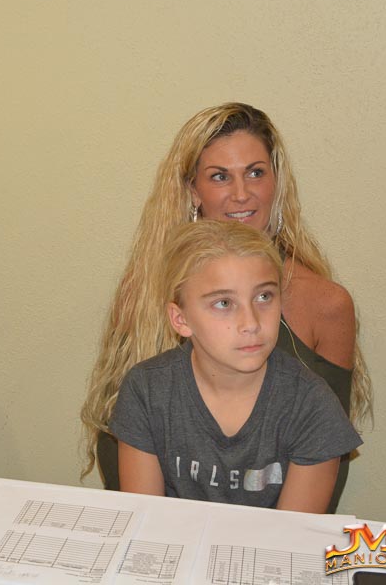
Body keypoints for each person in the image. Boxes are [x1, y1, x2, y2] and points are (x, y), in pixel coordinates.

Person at [81, 103, 371, 511]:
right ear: (192, 190)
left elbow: (323, 459)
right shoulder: (142, 296)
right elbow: (123, 442)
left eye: (255, 172)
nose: (241, 194)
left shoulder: (327, 305)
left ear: (276, 182)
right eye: (220, 176)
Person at [111, 220, 362, 511]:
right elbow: (146, 521)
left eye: (264, 297)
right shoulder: (147, 390)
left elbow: (292, 533)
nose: (251, 323)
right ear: (181, 320)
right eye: (224, 303)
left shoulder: (312, 404)